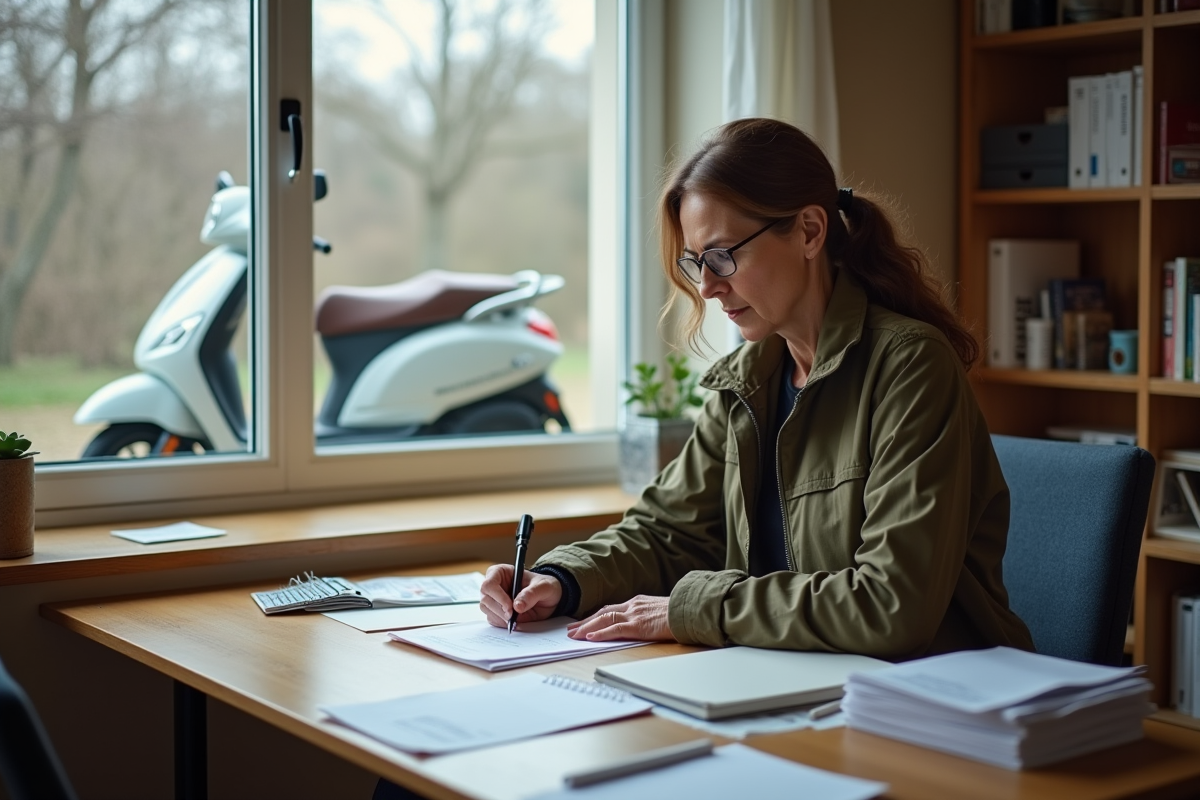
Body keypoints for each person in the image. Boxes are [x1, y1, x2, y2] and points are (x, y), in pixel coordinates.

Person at [479, 117, 1034, 660]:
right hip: (795, 679)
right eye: (696, 262)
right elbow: (668, 530)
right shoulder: (746, 382)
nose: (707, 287)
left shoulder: (910, 367)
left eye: (723, 256)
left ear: (810, 231)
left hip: (935, 691)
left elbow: (891, 605)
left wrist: (691, 608)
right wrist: (560, 578)